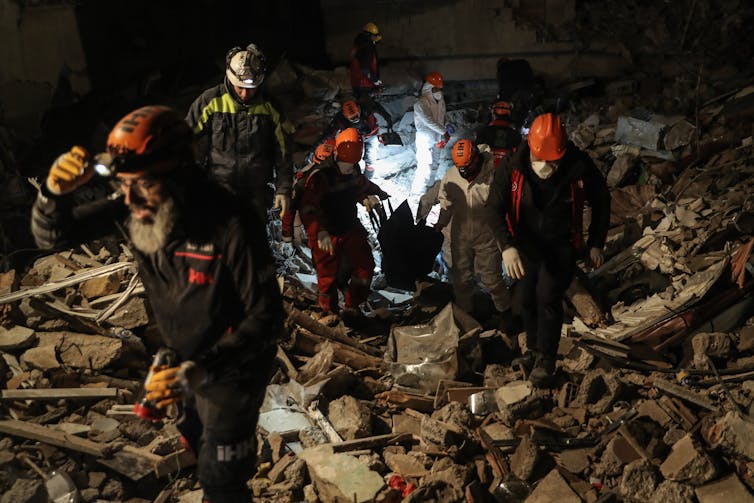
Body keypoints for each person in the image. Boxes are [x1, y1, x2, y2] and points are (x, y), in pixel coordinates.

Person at [31, 105, 285, 502]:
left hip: (232, 366)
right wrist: (53, 194)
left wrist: (202, 370)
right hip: (179, 357)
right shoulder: (137, 203)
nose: (128, 199)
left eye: (142, 185)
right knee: (196, 440)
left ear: (180, 175)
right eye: (122, 185)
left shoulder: (230, 222)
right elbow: (53, 238)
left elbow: (267, 318)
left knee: (221, 477)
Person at [487, 113, 611, 387]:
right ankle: (532, 350)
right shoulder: (513, 166)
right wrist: (506, 247)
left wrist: (596, 242)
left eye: (550, 161)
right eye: (539, 159)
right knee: (526, 298)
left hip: (561, 243)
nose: (544, 166)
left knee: (548, 298)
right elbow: (494, 207)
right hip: (526, 243)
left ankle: (546, 360)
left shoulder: (577, 165)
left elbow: (601, 199)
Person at [283, 127, 389, 325]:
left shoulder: (353, 168)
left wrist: (375, 195)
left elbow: (358, 185)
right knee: (327, 276)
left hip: (349, 225)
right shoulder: (321, 176)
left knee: (365, 265)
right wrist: (319, 231)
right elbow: (307, 208)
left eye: (352, 165)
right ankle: (328, 313)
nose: (348, 169)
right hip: (325, 230)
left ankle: (352, 307)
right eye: (345, 165)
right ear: (336, 154)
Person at [186, 42, 295, 225]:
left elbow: (283, 150)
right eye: (240, 88)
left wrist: (283, 189)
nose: (245, 94)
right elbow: (185, 138)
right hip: (220, 187)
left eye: (250, 88)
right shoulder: (210, 101)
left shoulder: (270, 107)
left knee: (253, 239)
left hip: (256, 190)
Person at [434, 139, 510, 318]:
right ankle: (467, 316)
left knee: (492, 280)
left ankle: (506, 314)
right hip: (460, 237)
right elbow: (446, 204)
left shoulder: (492, 175)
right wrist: (440, 224)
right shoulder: (452, 176)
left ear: (476, 159)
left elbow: (503, 206)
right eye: (461, 168)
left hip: (487, 237)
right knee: (461, 280)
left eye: (467, 167)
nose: (464, 172)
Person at [413, 71, 453, 194]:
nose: (438, 91)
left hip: (437, 138)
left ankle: (428, 191)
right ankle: (418, 193)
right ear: (429, 87)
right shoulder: (421, 103)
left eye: (439, 88)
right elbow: (428, 120)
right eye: (436, 88)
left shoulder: (440, 101)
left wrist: (447, 124)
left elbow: (442, 116)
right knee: (425, 167)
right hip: (425, 140)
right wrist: (444, 131)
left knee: (435, 165)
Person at [349, 22, 393, 135]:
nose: (375, 39)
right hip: (364, 84)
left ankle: (365, 132)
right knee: (367, 110)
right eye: (374, 36)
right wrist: (375, 80)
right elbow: (365, 68)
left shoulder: (358, 45)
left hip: (357, 84)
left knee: (363, 109)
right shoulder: (367, 47)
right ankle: (368, 134)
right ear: (370, 35)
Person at [321, 100, 385, 176]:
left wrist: (387, 118)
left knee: (371, 157)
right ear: (345, 115)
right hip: (355, 138)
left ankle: (369, 175)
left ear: (359, 110)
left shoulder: (366, 109)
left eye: (356, 116)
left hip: (371, 135)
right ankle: (355, 174)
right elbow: (329, 133)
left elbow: (379, 109)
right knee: (351, 156)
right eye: (352, 118)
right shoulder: (340, 119)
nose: (355, 119)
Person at [475, 100, 521, 167]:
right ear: (509, 115)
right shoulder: (516, 135)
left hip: (486, 172)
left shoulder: (483, 132)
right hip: (507, 173)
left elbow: (476, 153)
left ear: (493, 115)